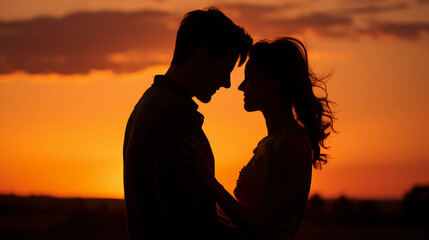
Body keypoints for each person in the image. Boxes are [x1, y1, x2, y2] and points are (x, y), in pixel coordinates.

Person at [182, 37, 336, 239]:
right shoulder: (272, 141)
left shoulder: (290, 145)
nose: (241, 86)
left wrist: (210, 183)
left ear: (273, 81)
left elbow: (264, 230)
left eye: (250, 77)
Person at [122, 7, 253, 240]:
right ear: (201, 57)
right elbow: (186, 224)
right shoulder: (174, 116)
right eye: (225, 70)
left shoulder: (148, 104)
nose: (227, 83)